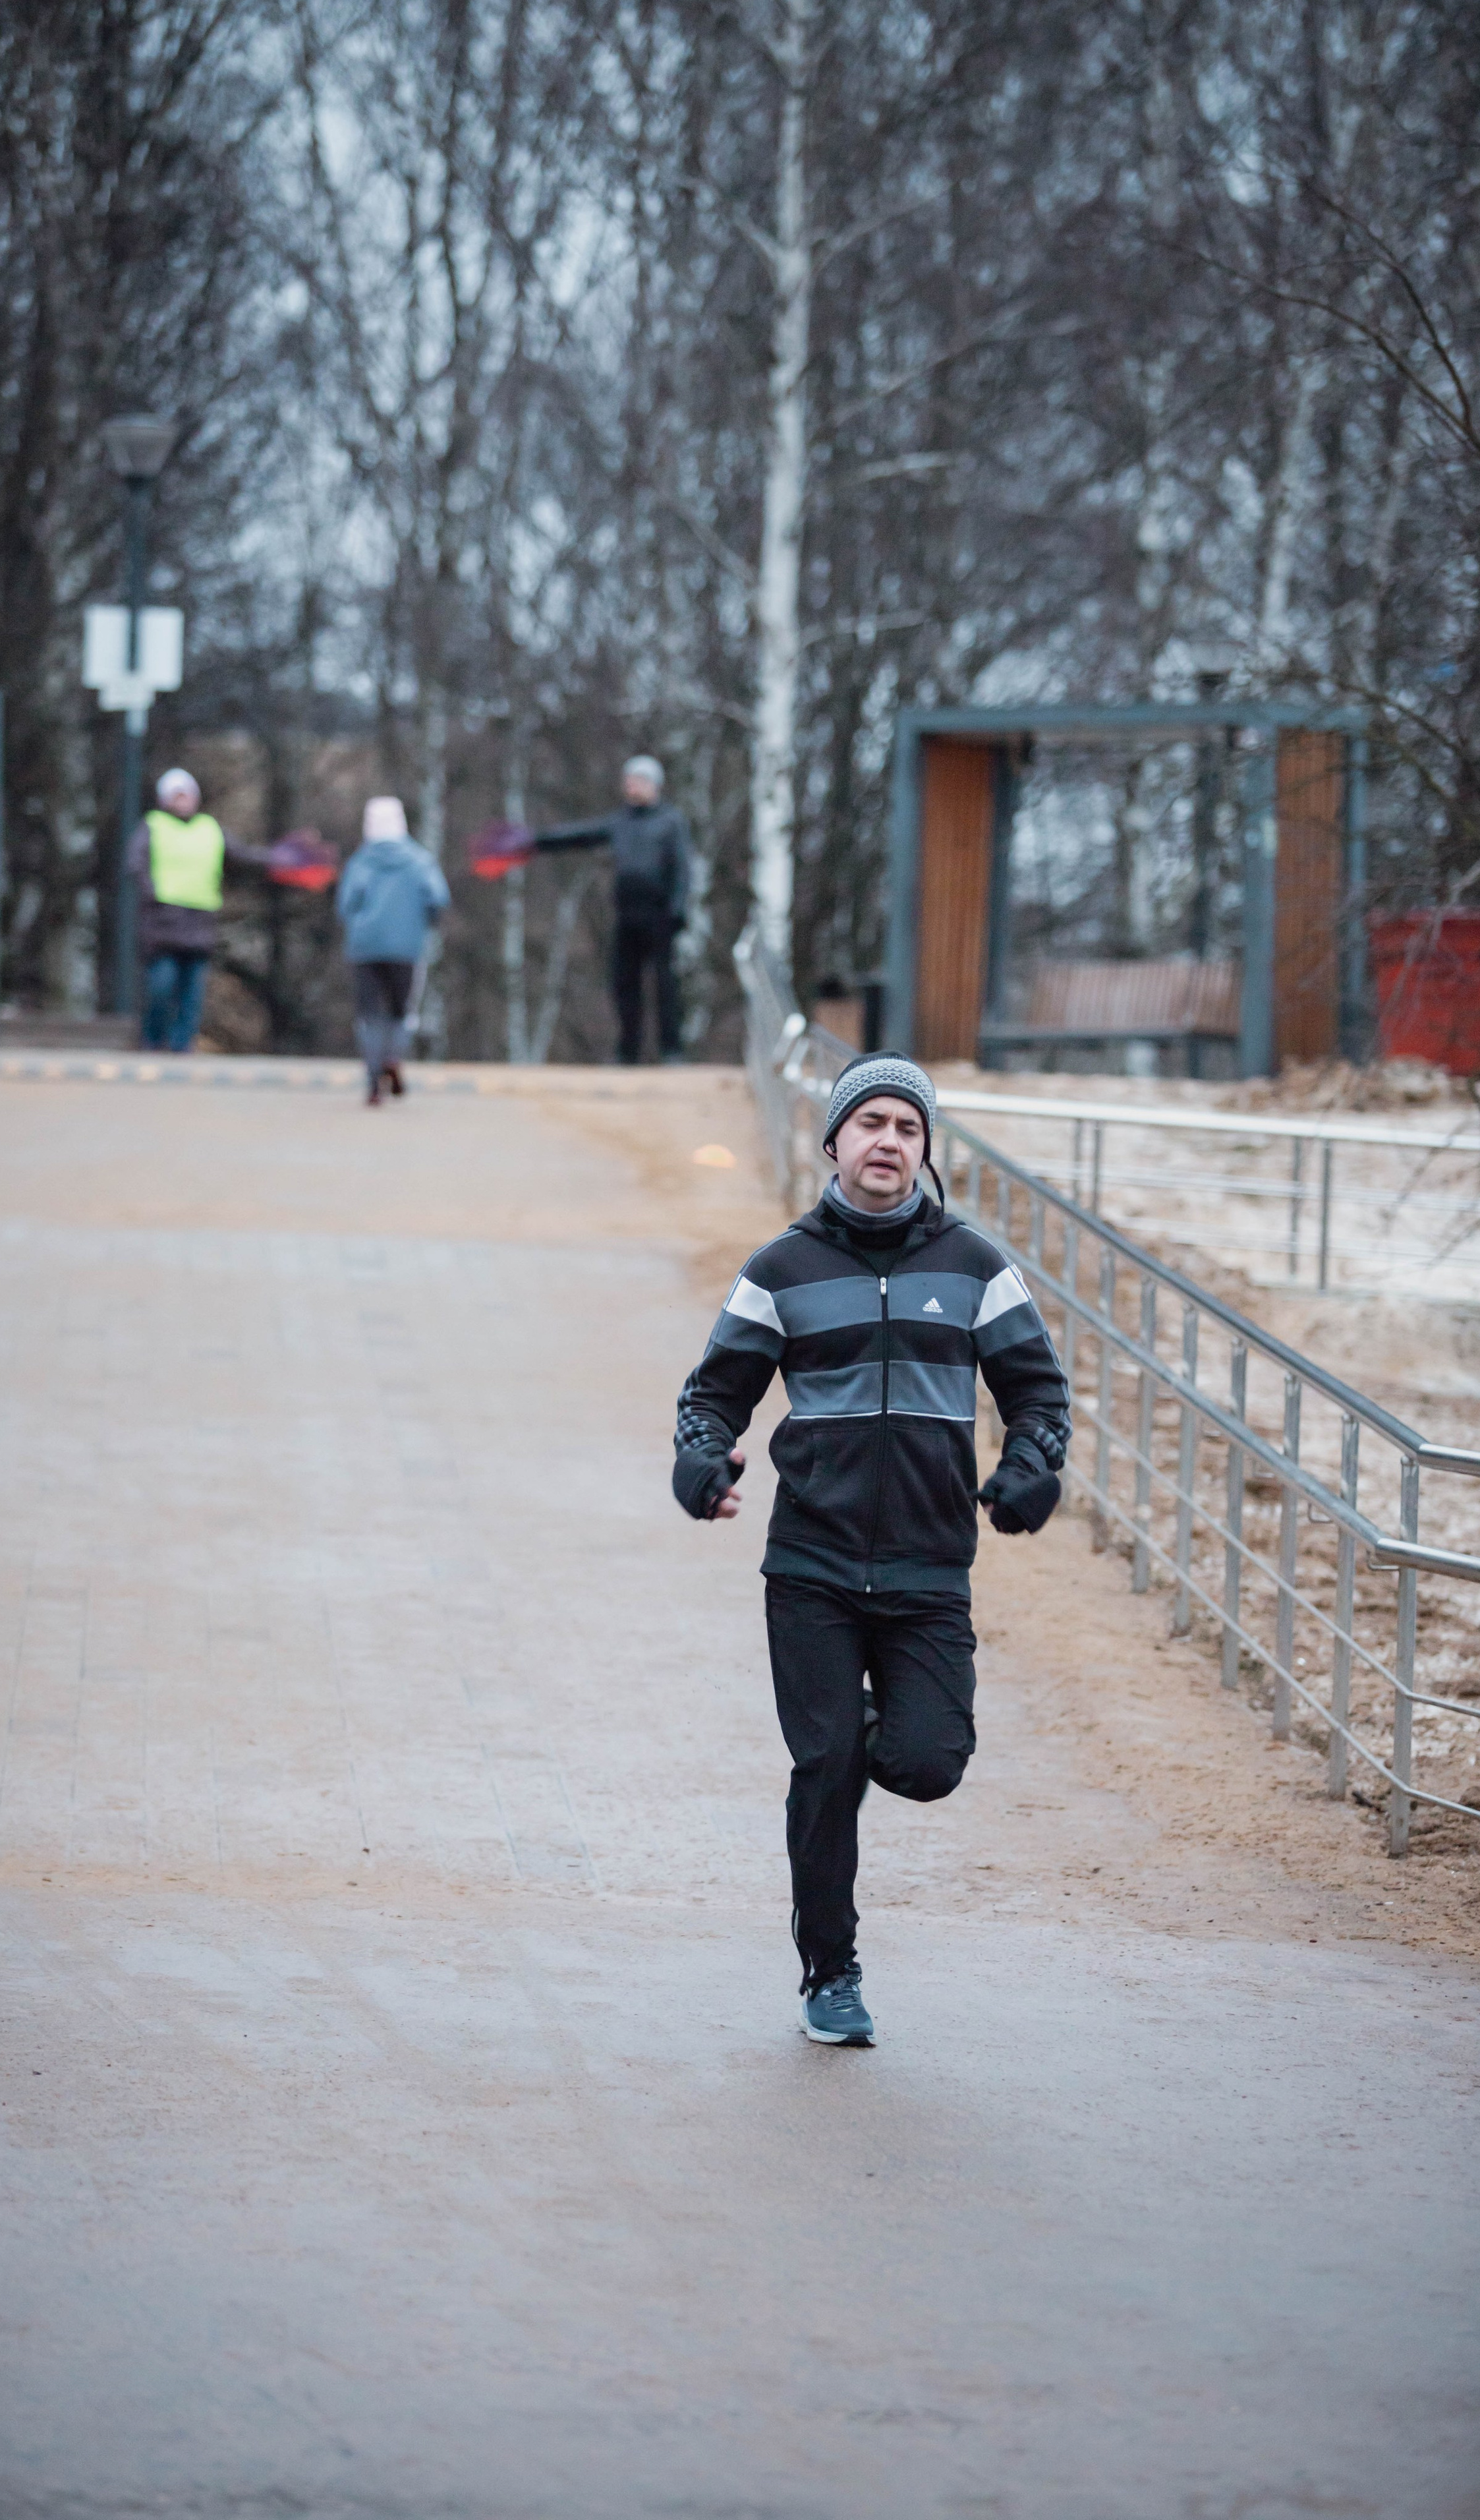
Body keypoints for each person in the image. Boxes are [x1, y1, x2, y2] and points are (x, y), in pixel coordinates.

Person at [671, 1051, 1071, 2048]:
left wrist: (1031, 1469)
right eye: (872, 1124)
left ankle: (859, 1723)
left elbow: (1039, 1394)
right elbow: (713, 1394)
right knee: (825, 1770)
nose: (888, 1142)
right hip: (810, 1565)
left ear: (925, 1151)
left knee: (928, 1761)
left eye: (908, 1128)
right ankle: (831, 1971)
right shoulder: (782, 1270)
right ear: (836, 1141)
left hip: (930, 1569)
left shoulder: (975, 1268)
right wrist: (702, 1462)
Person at [533, 755, 693, 1065]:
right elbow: (578, 835)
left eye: (636, 780)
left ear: (653, 784)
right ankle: (628, 1052)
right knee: (624, 985)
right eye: (628, 780)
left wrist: (678, 908)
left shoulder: (671, 822)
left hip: (660, 916)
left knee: (665, 985)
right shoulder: (620, 823)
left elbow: (683, 869)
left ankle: (672, 1051)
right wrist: (536, 842)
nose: (630, 786)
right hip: (627, 915)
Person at [127, 768, 266, 1053]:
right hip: (163, 924)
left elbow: (244, 856)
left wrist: (282, 860)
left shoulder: (210, 829)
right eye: (177, 795)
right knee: (161, 987)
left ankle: (181, 1046)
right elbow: (135, 864)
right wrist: (152, 894)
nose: (184, 801)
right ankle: (153, 1041)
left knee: (193, 993)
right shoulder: (153, 826)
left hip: (199, 922)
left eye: (187, 795)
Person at [335, 796, 450, 1103]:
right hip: (407, 946)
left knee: (369, 1014)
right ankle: (393, 1058)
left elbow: (345, 906)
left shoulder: (360, 862)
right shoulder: (420, 861)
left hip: (364, 947)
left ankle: (374, 1077)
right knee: (402, 1011)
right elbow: (438, 899)